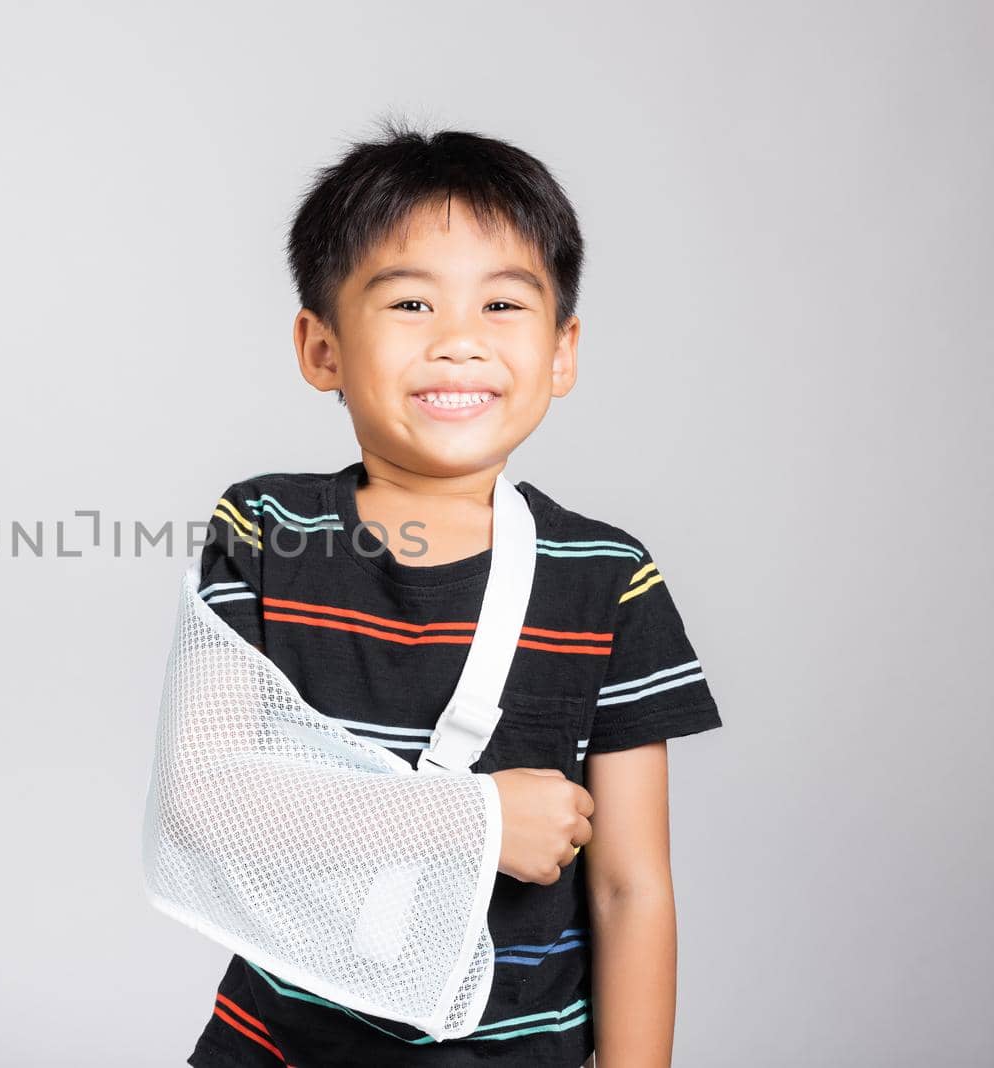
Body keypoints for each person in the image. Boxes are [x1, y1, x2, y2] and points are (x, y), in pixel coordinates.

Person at [180, 122, 723, 1068]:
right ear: (322, 348)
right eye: (411, 305)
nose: (461, 342)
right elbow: (205, 803)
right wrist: (477, 823)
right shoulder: (264, 532)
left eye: (505, 304)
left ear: (563, 350)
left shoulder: (606, 577)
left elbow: (631, 888)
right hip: (280, 1048)